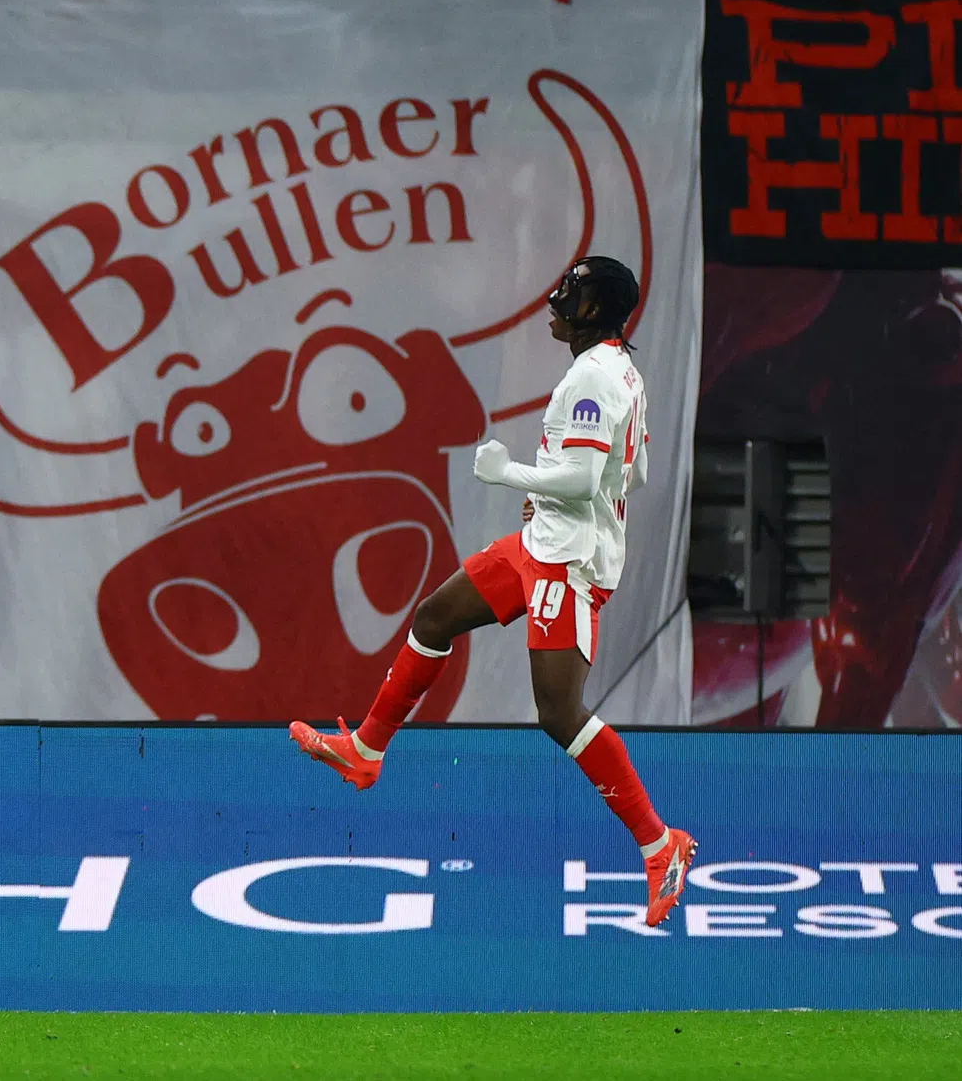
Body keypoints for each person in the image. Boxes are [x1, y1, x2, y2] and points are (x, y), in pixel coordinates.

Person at [290, 256, 697, 928]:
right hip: (543, 543)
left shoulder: (594, 376)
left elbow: (583, 477)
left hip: (568, 563)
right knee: (435, 617)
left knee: (559, 713)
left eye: (576, 291)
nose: (560, 297)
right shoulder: (620, 368)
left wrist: (512, 474)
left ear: (597, 309)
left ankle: (660, 845)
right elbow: (636, 469)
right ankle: (366, 750)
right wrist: (558, 495)